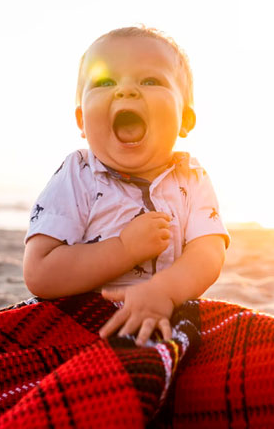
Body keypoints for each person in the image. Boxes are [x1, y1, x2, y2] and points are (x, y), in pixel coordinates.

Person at [23, 26, 229, 346]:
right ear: (81, 120)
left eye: (150, 81)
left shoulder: (191, 175)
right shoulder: (78, 173)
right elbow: (40, 272)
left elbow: (208, 253)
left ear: (185, 118)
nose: (126, 90)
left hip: (167, 313)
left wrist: (164, 291)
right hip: (82, 321)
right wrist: (124, 249)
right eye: (105, 82)